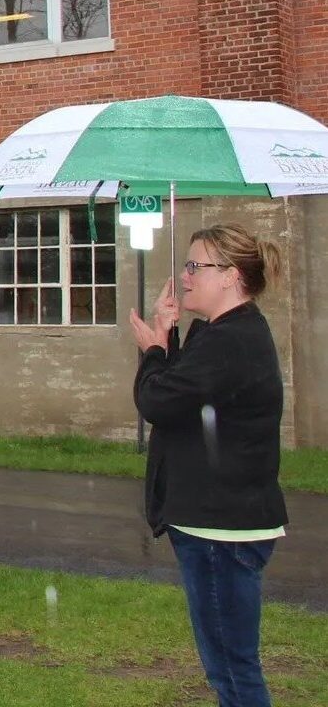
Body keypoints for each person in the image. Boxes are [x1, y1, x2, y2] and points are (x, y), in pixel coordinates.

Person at [130, 224, 287, 707]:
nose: (185, 276)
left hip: (222, 529)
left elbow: (158, 400)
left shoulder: (231, 340)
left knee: (233, 669)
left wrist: (154, 350)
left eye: (196, 266)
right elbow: (190, 395)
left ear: (231, 277)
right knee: (227, 665)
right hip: (215, 522)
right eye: (187, 265)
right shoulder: (221, 334)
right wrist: (167, 340)